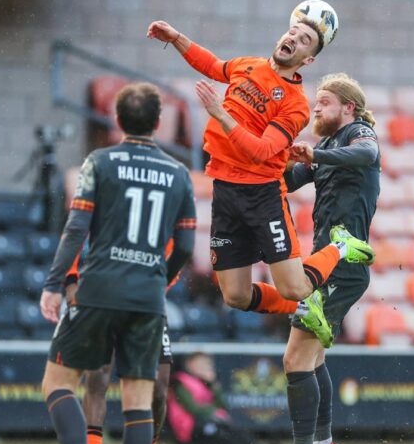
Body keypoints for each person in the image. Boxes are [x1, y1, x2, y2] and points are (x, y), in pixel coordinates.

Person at [145, 17, 375, 347]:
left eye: (305, 40)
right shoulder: (249, 65)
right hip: (224, 190)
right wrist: (176, 37)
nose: (294, 38)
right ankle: (307, 305)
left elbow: (262, 151)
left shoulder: (295, 104)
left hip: (261, 195)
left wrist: (220, 114)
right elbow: (211, 64)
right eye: (293, 32)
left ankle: (340, 246)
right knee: (236, 296)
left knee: (294, 285)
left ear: (307, 60)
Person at [39, 83, 196, 444]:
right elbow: (184, 243)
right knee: (138, 400)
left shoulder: (99, 162)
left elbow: (76, 228)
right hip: (148, 296)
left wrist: (55, 284)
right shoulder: (179, 173)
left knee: (57, 383)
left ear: (117, 120)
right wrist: (159, 277)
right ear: (158, 122)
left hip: (99, 288)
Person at [260, 73, 381, 444]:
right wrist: (264, 162)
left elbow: (366, 155)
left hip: (343, 263)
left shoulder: (357, 133)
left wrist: (316, 156)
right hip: (327, 263)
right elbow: (285, 181)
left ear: (348, 107)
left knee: (295, 360)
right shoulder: (328, 148)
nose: (316, 109)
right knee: (310, 361)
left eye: (324, 102)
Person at [63, 247, 177, 444]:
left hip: (148, 305)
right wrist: (71, 281)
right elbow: (75, 235)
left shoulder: (160, 215)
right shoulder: (106, 214)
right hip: (106, 300)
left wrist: (155, 286)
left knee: (158, 389)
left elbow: (178, 249)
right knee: (97, 378)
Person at [167, 352, 273, 444]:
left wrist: (214, 385)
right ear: (189, 364)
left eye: (208, 364)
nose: (206, 367)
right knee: (222, 434)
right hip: (190, 427)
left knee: (232, 429)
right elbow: (192, 409)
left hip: (207, 421)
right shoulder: (180, 382)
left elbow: (223, 405)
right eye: (201, 364)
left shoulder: (206, 384)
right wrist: (213, 412)